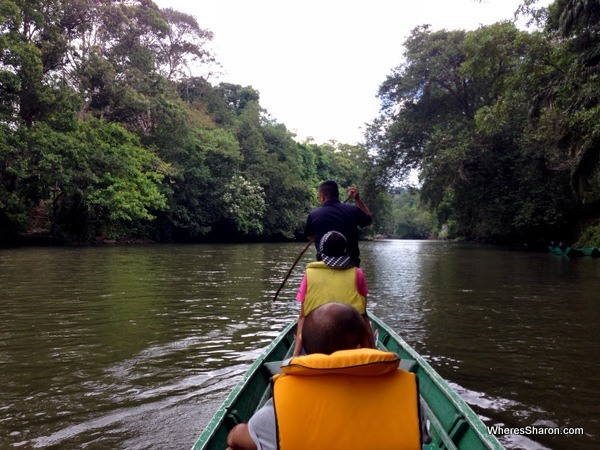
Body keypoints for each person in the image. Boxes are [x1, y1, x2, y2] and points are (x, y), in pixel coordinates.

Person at [226, 303, 430, 450]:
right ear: (361, 346)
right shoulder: (408, 393)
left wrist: (235, 433)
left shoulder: (280, 405)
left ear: (307, 349)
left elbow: (239, 438)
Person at [293, 230, 372, 355]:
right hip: (350, 343)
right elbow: (363, 316)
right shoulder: (357, 273)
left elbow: (302, 317)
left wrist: (295, 355)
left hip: (316, 344)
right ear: (345, 250)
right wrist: (373, 350)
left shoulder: (309, 273)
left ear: (322, 253)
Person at [305, 180, 373, 267]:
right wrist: (357, 199)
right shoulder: (353, 210)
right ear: (337, 194)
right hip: (351, 267)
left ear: (322, 197)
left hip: (324, 267)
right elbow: (368, 220)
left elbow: (310, 236)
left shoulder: (313, 215)